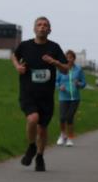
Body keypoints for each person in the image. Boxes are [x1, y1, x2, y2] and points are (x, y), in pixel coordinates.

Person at [13, 17, 69, 171]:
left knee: (42, 129)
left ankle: (39, 156)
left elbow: (65, 69)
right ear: (34, 29)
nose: (42, 27)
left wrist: (55, 62)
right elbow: (14, 56)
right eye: (39, 25)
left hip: (46, 96)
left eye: (45, 25)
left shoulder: (54, 48)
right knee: (33, 119)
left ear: (49, 30)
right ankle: (31, 146)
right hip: (28, 93)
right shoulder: (25, 46)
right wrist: (18, 66)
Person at [56, 49, 86, 146]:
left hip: (75, 98)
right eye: (67, 58)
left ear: (74, 59)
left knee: (69, 117)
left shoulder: (78, 69)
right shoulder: (61, 69)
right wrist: (59, 86)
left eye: (71, 57)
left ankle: (69, 138)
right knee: (61, 118)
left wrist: (79, 84)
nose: (69, 59)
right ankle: (62, 135)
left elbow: (84, 83)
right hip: (63, 97)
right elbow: (55, 81)